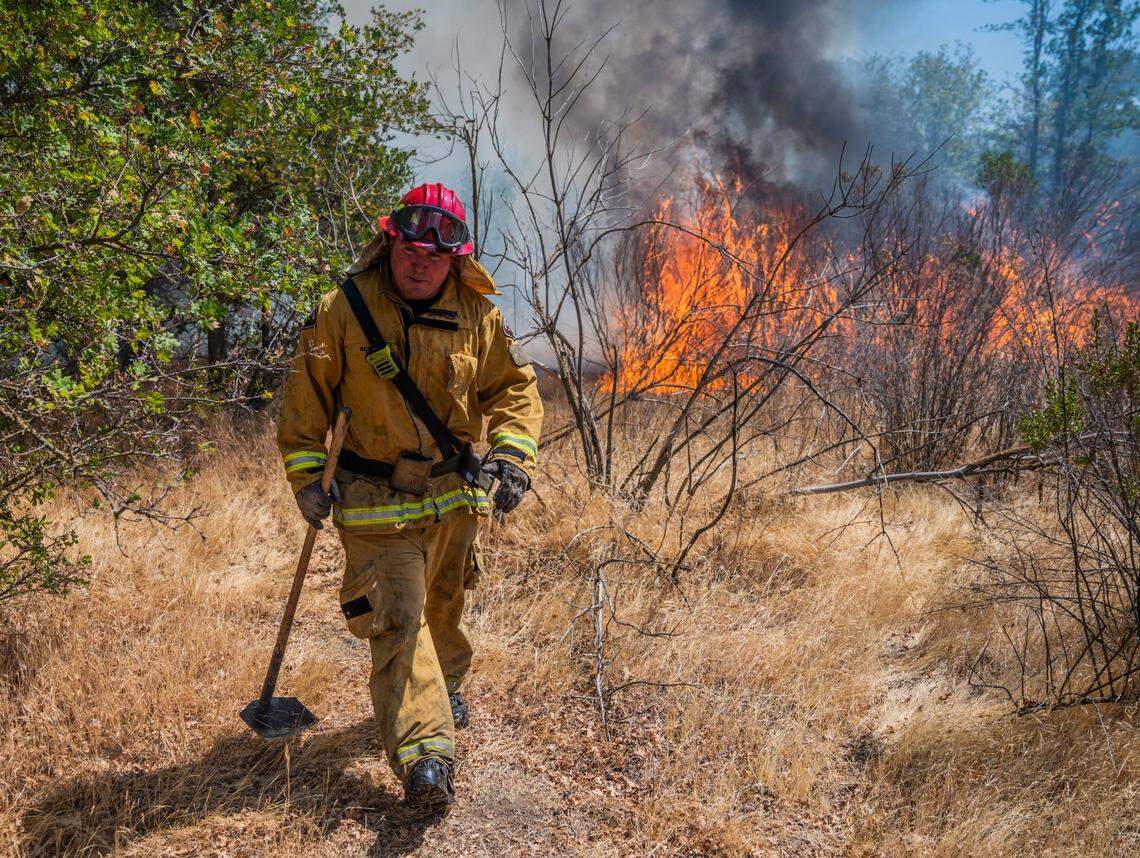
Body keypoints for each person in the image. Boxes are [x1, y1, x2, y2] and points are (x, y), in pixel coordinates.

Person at [276, 183, 542, 808]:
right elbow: (305, 400)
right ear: (389, 244)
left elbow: (513, 389)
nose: (419, 264)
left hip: (454, 498)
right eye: (408, 251)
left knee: (444, 607)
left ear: (456, 258)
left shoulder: (480, 316)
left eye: (434, 255)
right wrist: (307, 478)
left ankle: (443, 687)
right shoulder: (342, 309)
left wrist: (511, 455)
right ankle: (426, 759)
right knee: (398, 618)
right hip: (374, 500)